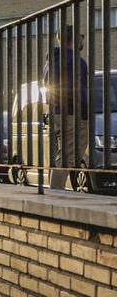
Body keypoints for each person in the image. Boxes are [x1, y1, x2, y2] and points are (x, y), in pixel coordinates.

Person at [43, 29, 90, 190]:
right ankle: (55, 198)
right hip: (72, 115)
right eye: (81, 36)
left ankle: (53, 193)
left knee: (59, 157)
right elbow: (79, 92)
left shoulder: (51, 61)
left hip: (55, 113)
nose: (82, 39)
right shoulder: (76, 61)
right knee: (67, 159)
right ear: (73, 39)